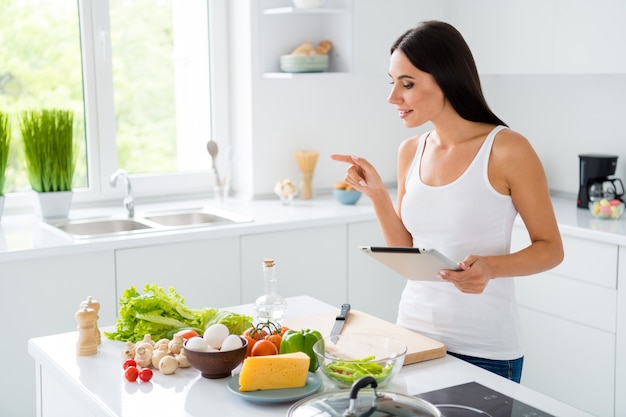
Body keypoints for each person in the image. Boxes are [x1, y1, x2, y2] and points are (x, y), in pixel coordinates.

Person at [331, 20, 563, 383]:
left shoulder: (507, 150)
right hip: (413, 336)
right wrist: (377, 194)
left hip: (484, 350)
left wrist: (492, 267)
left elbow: (551, 249)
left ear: (447, 79)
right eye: (392, 83)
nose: (394, 97)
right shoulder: (410, 151)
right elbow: (405, 251)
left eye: (407, 84)